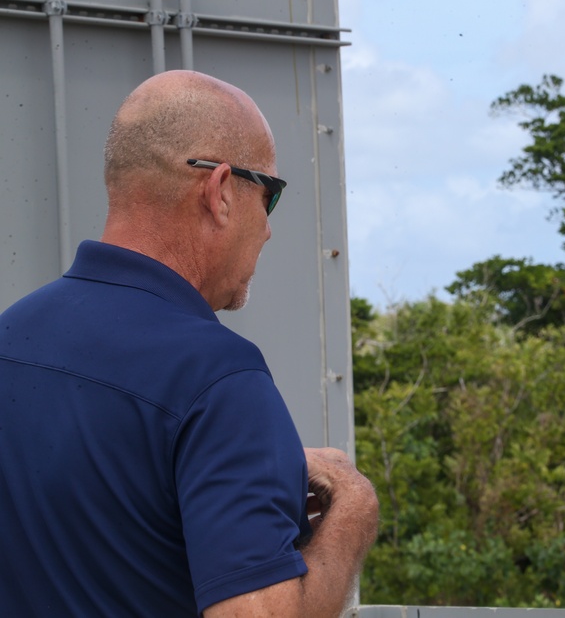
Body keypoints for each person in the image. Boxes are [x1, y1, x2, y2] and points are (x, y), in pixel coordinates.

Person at [0, 70, 379, 616]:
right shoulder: (219, 379)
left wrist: (236, 468)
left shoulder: (13, 335)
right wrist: (353, 507)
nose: (269, 228)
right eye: (269, 195)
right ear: (221, 190)